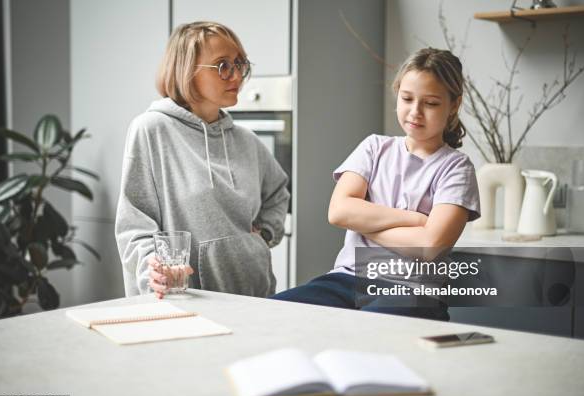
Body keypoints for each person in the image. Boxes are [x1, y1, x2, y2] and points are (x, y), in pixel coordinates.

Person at [271, 47, 480, 320]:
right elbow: (338, 212)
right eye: (407, 98)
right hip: (347, 280)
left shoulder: (456, 168)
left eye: (430, 103)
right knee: (272, 312)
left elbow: (430, 247)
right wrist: (415, 220)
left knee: (367, 328)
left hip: (413, 290)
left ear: (454, 104)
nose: (415, 112)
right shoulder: (373, 147)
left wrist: (365, 224)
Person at [115, 22, 289, 299]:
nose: (237, 76)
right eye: (223, 66)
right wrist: (155, 272)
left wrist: (265, 235)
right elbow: (134, 224)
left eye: (240, 64)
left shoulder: (247, 140)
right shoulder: (151, 130)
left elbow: (279, 194)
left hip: (255, 295)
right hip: (180, 297)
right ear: (187, 70)